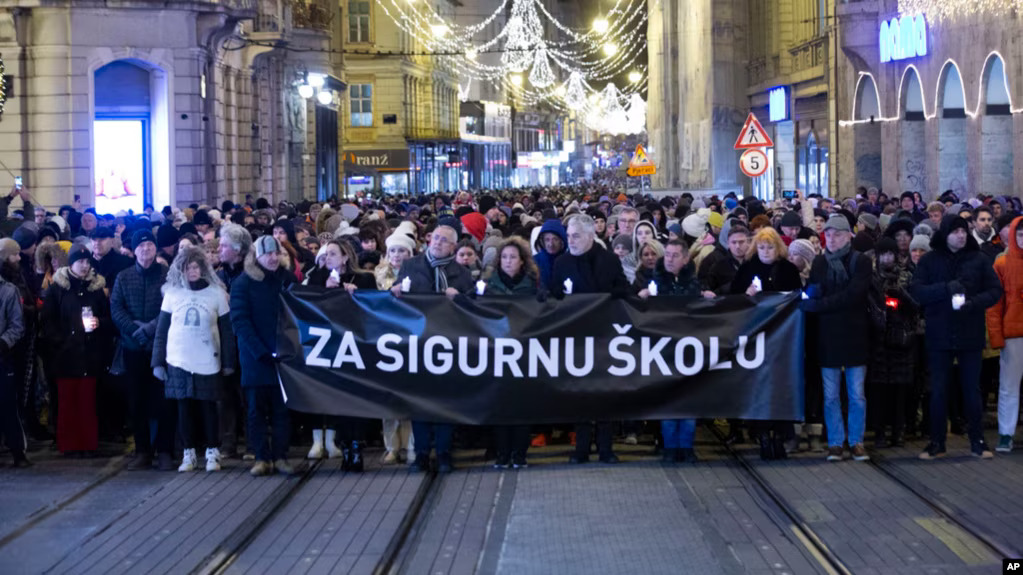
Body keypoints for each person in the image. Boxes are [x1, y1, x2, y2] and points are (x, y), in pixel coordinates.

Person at [912, 215, 1002, 459]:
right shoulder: (930, 261)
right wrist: (945, 289)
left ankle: (978, 441)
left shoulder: (978, 259)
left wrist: (973, 304)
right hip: (939, 332)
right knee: (939, 389)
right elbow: (917, 291)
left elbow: (995, 290)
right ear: (945, 234)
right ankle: (937, 442)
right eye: (955, 232)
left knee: (971, 389)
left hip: (969, 331)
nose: (961, 235)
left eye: (963, 231)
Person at [391, 223, 473, 473]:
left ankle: (445, 452)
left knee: (446, 401)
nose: (437, 243)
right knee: (421, 401)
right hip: (419, 343)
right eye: (435, 238)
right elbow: (396, 299)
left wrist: (458, 297)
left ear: (453, 246)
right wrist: (392, 292)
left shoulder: (461, 272)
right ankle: (423, 453)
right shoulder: (411, 266)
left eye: (444, 240)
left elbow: (472, 306)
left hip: (448, 343)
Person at [551, 214, 629, 464]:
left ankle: (605, 447)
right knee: (580, 393)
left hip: (605, 336)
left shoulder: (608, 260)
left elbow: (623, 290)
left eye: (576, 236)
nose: (570, 241)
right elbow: (554, 295)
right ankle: (581, 448)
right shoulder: (562, 262)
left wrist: (605, 296)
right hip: (576, 338)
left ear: (590, 236)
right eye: (569, 236)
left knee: (606, 392)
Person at [152, 247, 235, 473]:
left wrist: (229, 362)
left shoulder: (216, 294)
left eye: (196, 266)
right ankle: (188, 453)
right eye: (188, 267)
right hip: (178, 360)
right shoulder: (172, 295)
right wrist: (157, 362)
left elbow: (226, 331)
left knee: (209, 408)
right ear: (181, 269)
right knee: (184, 409)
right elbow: (162, 330)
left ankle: (212, 452)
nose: (193, 271)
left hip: (208, 359)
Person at [802, 214, 873, 462]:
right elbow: (814, 292)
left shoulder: (860, 262)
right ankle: (835, 442)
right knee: (830, 394)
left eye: (837, 235)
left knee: (856, 393)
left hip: (854, 334)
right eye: (828, 235)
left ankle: (856, 441)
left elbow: (854, 295)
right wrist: (814, 300)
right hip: (828, 336)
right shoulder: (820, 263)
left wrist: (819, 305)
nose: (831, 239)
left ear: (848, 237)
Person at [636, 239, 710, 463]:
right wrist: (640, 300)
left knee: (689, 397)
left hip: (688, 347)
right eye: (667, 254)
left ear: (686, 259)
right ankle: (670, 446)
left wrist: (707, 299)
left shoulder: (694, 284)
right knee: (668, 398)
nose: (669, 259)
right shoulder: (654, 282)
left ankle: (686, 446)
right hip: (665, 348)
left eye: (675, 255)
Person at [304, 240, 376, 471]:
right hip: (330, 347)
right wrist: (325, 291)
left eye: (333, 254)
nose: (328, 258)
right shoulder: (317, 278)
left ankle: (357, 446)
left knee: (357, 398)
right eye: (325, 254)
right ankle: (344, 444)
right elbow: (305, 305)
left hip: (356, 346)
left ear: (345, 257)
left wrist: (358, 296)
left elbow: (375, 309)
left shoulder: (364, 279)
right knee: (338, 398)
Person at [731, 228, 802, 459]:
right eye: (761, 247)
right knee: (758, 384)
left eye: (770, 247)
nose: (765, 251)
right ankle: (761, 433)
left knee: (781, 384)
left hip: (782, 338)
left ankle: (782, 433)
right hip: (755, 338)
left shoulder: (788, 269)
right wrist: (746, 293)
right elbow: (733, 297)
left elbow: (796, 297)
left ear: (778, 248)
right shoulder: (748, 268)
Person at [110, 230, 176, 470]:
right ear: (134, 250)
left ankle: (165, 450)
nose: (146, 249)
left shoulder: (167, 276)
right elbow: (116, 308)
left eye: (150, 245)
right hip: (132, 347)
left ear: (155, 248)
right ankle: (142, 451)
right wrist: (134, 330)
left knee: (164, 400)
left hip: (161, 348)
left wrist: (150, 329)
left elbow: (171, 307)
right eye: (141, 246)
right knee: (136, 401)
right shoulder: (124, 277)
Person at [231, 236, 295, 476]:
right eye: (267, 254)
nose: (272, 258)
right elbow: (240, 320)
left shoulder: (287, 279)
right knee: (255, 410)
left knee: (282, 409)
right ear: (256, 257)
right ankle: (261, 457)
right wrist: (259, 351)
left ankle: (280, 455)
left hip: (283, 356)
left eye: (275, 254)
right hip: (255, 358)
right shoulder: (244, 283)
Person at [40, 246, 110, 456]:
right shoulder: (57, 288)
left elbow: (107, 316)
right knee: (68, 400)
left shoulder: (96, 288)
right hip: (65, 355)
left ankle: (88, 444)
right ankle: (69, 444)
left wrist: (100, 323)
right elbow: (48, 320)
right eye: (80, 262)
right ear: (71, 263)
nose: (85, 266)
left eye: (87, 262)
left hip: (90, 353)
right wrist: (61, 341)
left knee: (87, 401)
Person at [484, 237, 538, 468]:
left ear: (522, 261)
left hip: (524, 353)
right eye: (504, 257)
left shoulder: (532, 287)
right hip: (497, 353)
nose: (508, 261)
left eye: (513, 257)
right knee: (500, 407)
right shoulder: (489, 287)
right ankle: (502, 454)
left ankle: (520, 454)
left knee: (522, 407)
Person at [866, 237, 919, 448]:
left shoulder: (905, 276)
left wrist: (901, 296)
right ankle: (879, 431)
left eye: (891, 253)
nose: (887, 258)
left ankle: (898, 431)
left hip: (900, 341)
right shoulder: (870, 279)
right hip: (878, 341)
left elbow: (915, 307)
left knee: (899, 391)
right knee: (878, 391)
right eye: (883, 254)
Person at [375, 231, 416, 465]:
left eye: (402, 251)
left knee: (410, 395)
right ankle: (391, 446)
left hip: (410, 340)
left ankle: (411, 443)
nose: (397, 255)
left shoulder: (418, 274)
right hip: (385, 341)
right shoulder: (377, 275)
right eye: (393, 251)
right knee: (388, 397)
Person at [214, 223, 251, 459]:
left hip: (245, 342)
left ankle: (252, 442)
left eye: (224, 245)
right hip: (223, 343)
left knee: (247, 395)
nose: (219, 249)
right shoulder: (218, 275)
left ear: (237, 250)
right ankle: (228, 442)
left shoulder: (250, 275)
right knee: (225, 395)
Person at [989, 216, 1023, 453]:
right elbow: (994, 306)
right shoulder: (1001, 264)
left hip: (1013, 333)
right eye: (1020, 234)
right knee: (1009, 386)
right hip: (1013, 335)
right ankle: (1005, 433)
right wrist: (997, 337)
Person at [0, 242, 26, 466]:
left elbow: (17, 326)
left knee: (8, 405)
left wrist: (3, 343)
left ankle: (18, 450)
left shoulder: (8, 291)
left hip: (3, 356)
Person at [532, 219, 566, 290]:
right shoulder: (534, 262)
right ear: (542, 241)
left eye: (555, 239)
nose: (551, 244)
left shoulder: (569, 262)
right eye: (547, 239)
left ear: (561, 241)